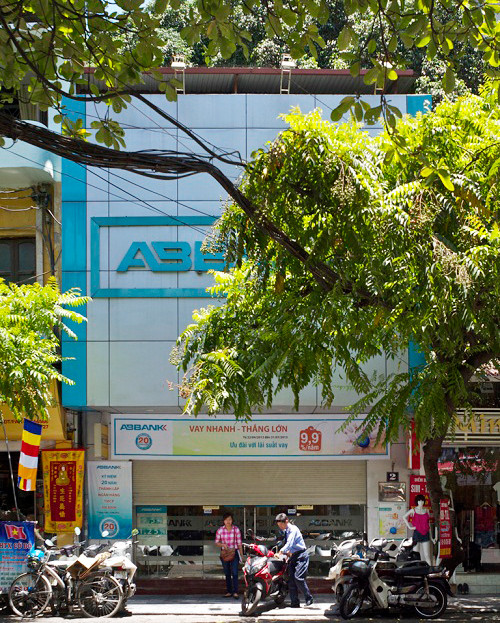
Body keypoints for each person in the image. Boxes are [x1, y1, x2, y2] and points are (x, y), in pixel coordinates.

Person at [275, 512, 313, 608]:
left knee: (298, 578)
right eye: (279, 525)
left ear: (286, 521)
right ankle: (294, 602)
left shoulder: (293, 529)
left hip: (301, 555)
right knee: (291, 580)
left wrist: (281, 552)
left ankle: (309, 597)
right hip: (293, 556)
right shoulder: (286, 531)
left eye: (281, 525)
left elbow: (289, 543)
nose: (280, 527)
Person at [215, 512, 243, 599]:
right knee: (227, 573)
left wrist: (241, 555)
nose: (228, 521)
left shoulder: (236, 529)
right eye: (226, 519)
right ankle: (229, 591)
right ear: (223, 521)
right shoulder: (220, 530)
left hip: (234, 553)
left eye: (230, 519)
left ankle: (235, 592)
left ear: (232, 520)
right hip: (225, 554)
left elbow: (239, 543)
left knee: (235, 573)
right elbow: (216, 542)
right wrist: (222, 545)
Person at [404, 494, 433, 565]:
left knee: (427, 555)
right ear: (417, 501)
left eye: (422, 501)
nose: (421, 502)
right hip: (417, 533)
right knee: (416, 556)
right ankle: (417, 570)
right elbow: (404, 517)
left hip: (426, 534)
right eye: (419, 501)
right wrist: (410, 527)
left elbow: (428, 524)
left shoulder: (427, 510)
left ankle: (430, 570)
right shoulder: (413, 510)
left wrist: (432, 536)